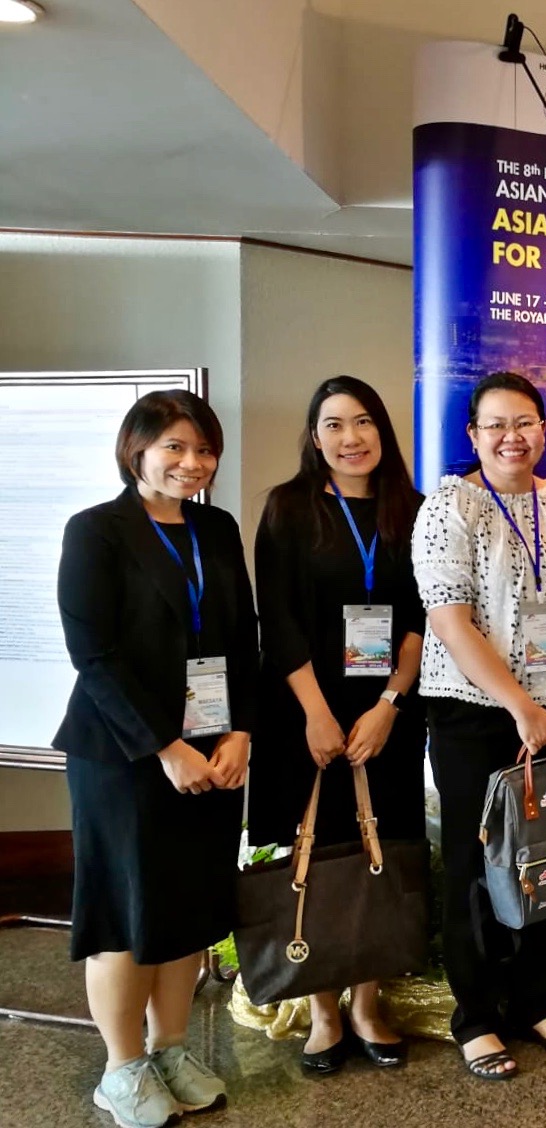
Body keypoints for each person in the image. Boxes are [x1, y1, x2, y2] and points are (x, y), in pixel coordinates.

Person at [54, 390, 256, 1128]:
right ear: (135, 448)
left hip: (214, 747)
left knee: (192, 907)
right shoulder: (98, 531)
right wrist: (164, 745)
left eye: (203, 450)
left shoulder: (216, 527)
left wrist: (241, 732)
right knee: (126, 913)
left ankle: (170, 1049)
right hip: (124, 753)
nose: (191, 463)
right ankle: (122, 1068)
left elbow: (242, 641)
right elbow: (93, 655)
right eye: (173, 446)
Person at [412, 371, 546, 1080]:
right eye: (495, 424)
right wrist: (519, 708)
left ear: (544, 431)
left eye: (524, 422)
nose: (510, 437)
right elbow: (449, 618)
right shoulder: (449, 506)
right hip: (472, 713)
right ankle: (475, 1016)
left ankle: (534, 1000)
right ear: (472, 434)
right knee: (475, 866)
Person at [247, 376, 426, 1074]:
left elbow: (419, 617)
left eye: (362, 423)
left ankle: (367, 1003)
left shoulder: (409, 510)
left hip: (387, 712)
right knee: (315, 856)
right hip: (305, 712)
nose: (350, 438)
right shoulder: (289, 510)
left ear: (382, 430)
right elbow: (279, 620)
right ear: (314, 437)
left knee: (383, 850)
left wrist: (389, 703)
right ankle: (323, 1010)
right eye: (333, 425)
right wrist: (317, 715)